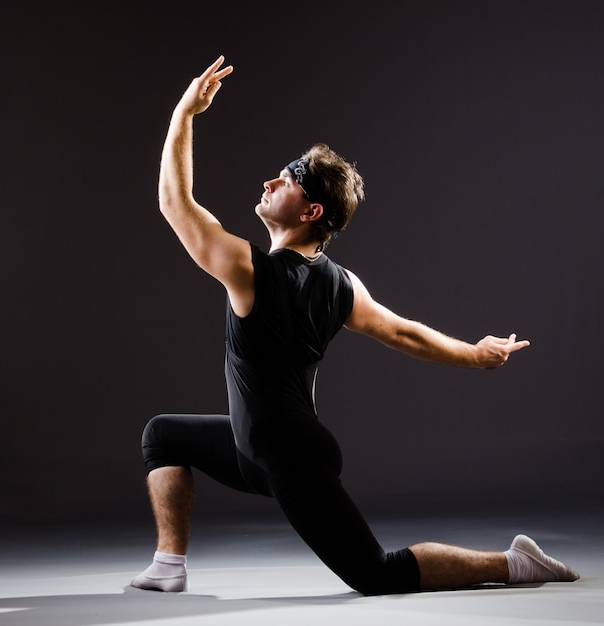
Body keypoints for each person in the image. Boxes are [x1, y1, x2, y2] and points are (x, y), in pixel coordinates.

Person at [131, 56, 579, 595]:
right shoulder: (342, 285)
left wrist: (185, 113)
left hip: (290, 454)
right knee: (163, 435)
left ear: (311, 212)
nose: (271, 181)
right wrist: (475, 353)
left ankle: (513, 562)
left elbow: (174, 203)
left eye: (288, 179)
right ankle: (169, 566)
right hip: (258, 450)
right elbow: (404, 332)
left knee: (377, 574)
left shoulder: (254, 272)